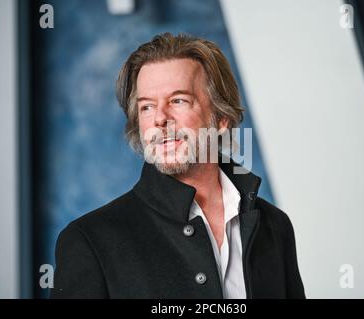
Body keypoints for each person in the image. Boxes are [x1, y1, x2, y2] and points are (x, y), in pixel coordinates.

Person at [50, 33, 305, 299]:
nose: (159, 118)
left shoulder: (275, 227)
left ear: (221, 120)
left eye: (178, 100)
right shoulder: (88, 241)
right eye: (147, 107)